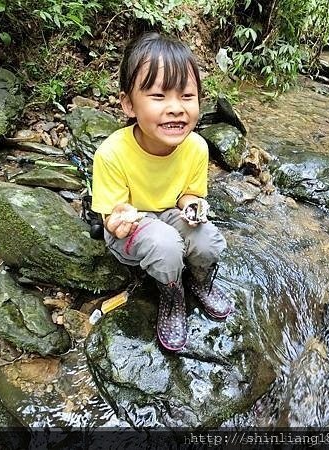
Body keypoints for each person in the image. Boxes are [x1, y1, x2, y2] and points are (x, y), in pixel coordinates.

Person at [91, 32, 233, 352]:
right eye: (158, 96)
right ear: (129, 103)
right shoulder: (112, 154)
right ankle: (172, 294)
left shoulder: (196, 147)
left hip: (168, 214)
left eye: (186, 96)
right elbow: (111, 218)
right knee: (164, 243)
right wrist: (117, 221)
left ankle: (197, 280)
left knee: (207, 238)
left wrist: (193, 206)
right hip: (132, 228)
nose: (175, 109)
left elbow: (189, 194)